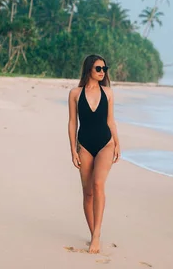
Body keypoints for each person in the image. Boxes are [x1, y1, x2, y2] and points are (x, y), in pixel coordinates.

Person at [68, 54, 121, 254]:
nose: (102, 72)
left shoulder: (108, 93)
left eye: (104, 69)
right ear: (89, 69)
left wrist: (117, 143)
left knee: (98, 184)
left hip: (105, 143)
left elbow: (110, 121)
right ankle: (93, 234)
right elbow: (72, 122)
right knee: (87, 192)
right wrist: (73, 148)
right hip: (85, 145)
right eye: (98, 68)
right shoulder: (75, 93)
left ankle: (97, 235)